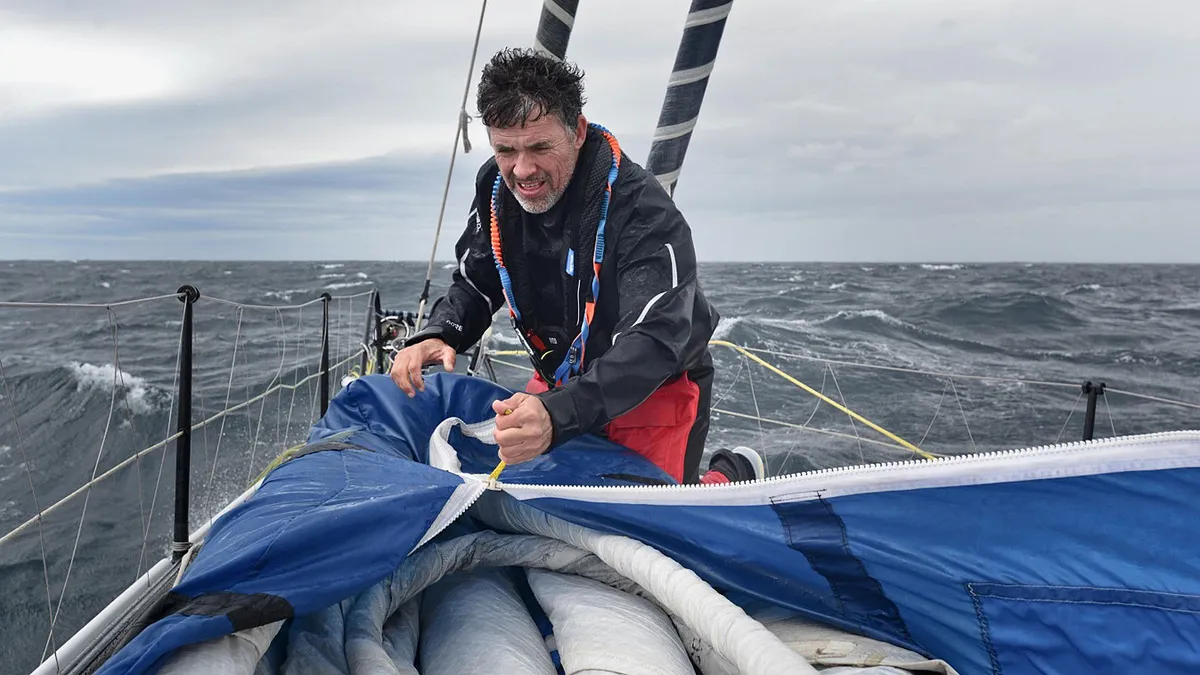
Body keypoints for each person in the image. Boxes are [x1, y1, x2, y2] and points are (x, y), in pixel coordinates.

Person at [390, 47, 763, 485]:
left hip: (650, 385)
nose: (521, 169)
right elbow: (478, 281)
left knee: (655, 529)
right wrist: (441, 331)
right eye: (505, 149)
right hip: (560, 381)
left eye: (540, 147)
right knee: (525, 501)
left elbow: (655, 339)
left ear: (578, 131)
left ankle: (732, 472)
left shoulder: (645, 211)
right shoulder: (495, 187)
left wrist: (556, 414)